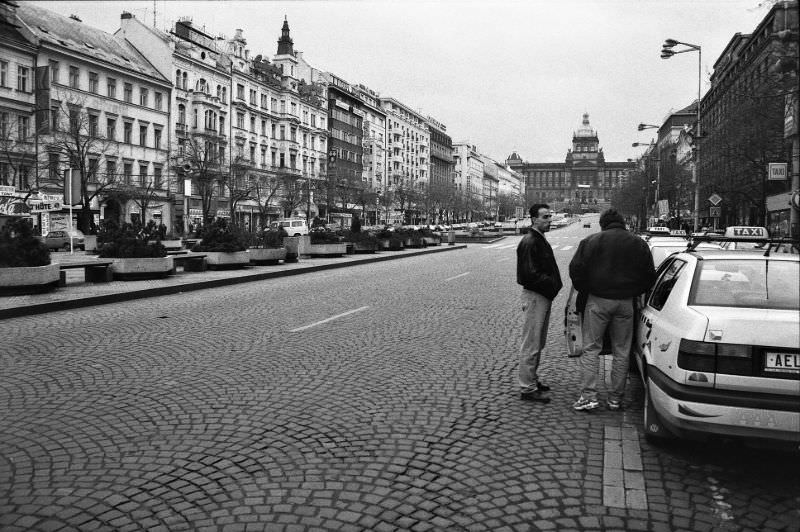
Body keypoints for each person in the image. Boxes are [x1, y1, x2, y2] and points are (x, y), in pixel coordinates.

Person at [569, 208, 656, 411]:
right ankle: (615, 398)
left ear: (603, 224)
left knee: (591, 348)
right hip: (625, 303)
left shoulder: (591, 241)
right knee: (622, 350)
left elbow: (575, 270)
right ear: (623, 223)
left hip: (597, 301)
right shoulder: (638, 243)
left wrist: (588, 289)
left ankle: (589, 396)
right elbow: (649, 276)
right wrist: (634, 291)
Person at [516, 203, 563, 403]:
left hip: (541, 295)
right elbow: (527, 275)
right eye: (545, 217)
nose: (549, 220)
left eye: (550, 216)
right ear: (534, 219)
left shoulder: (538, 239)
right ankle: (527, 388)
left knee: (538, 341)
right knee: (531, 343)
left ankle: (532, 379)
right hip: (536, 296)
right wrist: (551, 284)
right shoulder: (530, 241)